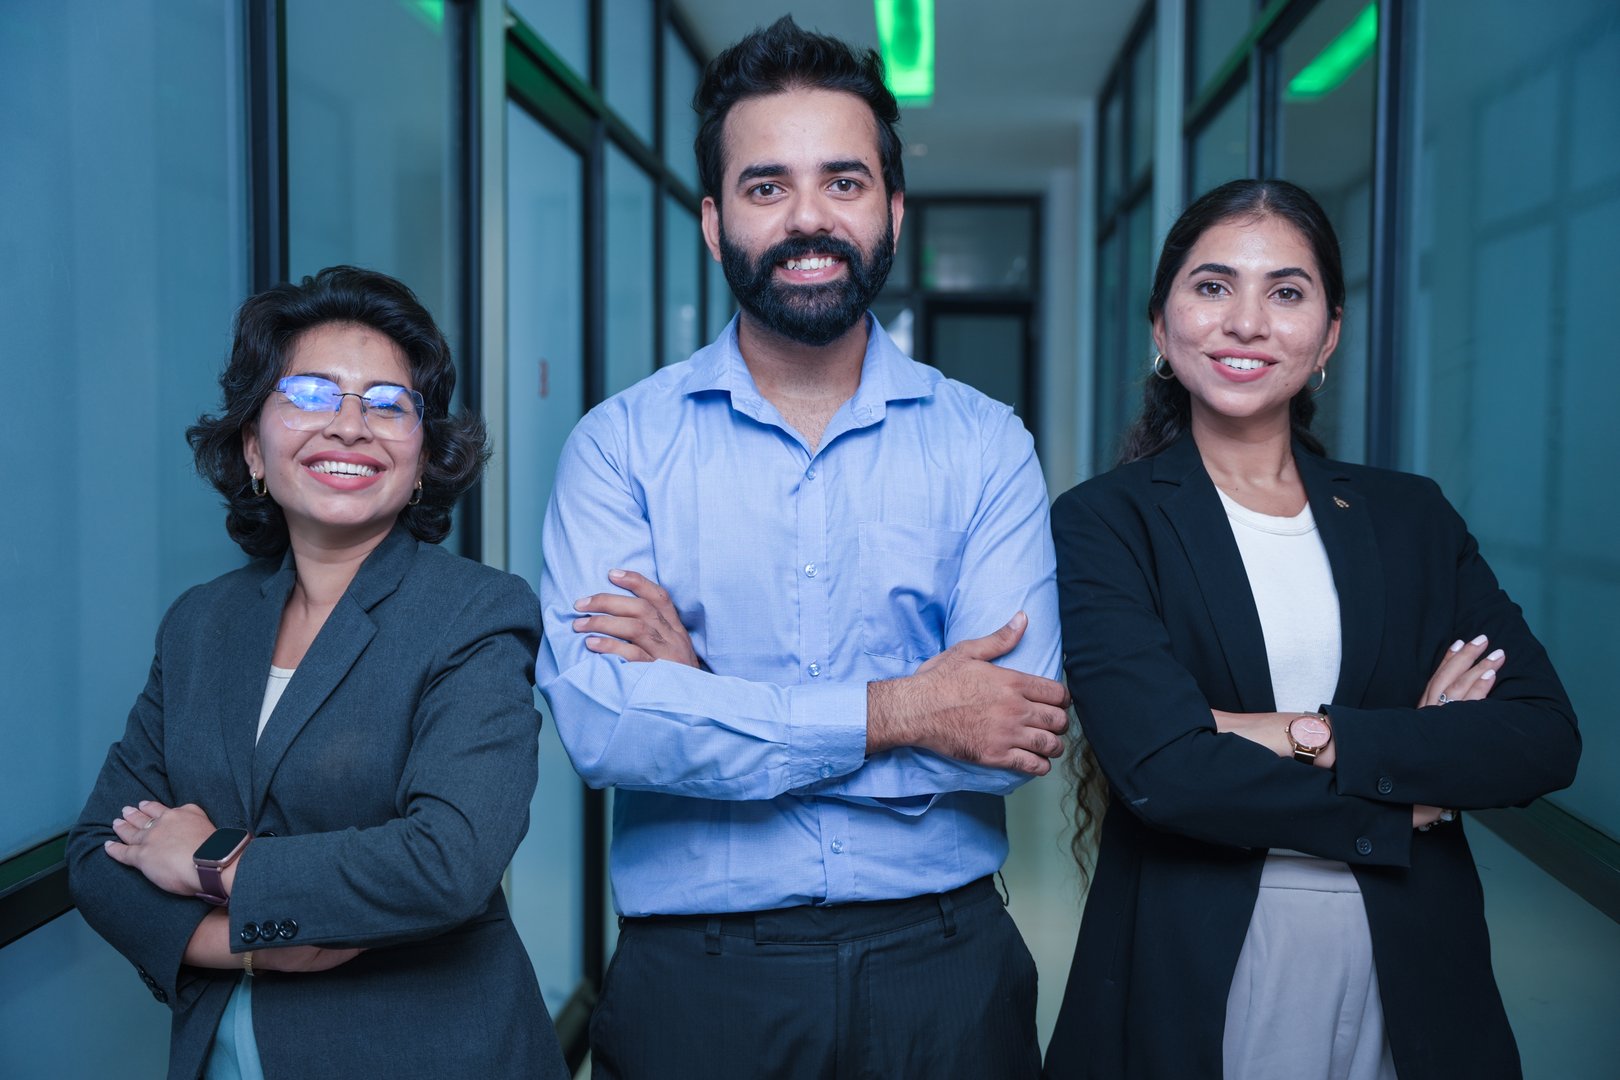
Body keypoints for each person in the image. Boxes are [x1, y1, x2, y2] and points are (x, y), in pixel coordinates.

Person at [538, 16, 1068, 1079]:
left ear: (894, 210)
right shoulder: (619, 446)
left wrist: (702, 694)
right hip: (699, 980)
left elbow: (1012, 725)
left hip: (946, 974)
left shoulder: (985, 443)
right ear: (712, 218)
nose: (809, 218)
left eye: (844, 181)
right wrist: (908, 709)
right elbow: (604, 727)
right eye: (767, 185)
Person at [1041, 179, 1580, 1080]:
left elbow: (1539, 735)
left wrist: (1297, 734)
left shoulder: (1410, 517)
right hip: (1199, 949)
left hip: (1411, 952)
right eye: (1212, 287)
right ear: (1161, 327)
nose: (1246, 321)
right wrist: (1410, 762)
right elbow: (1161, 769)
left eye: (1286, 292)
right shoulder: (1106, 521)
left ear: (1328, 334)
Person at [66, 267, 567, 1080]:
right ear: (253, 447)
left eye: (386, 402)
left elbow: (446, 861)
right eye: (310, 393)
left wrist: (216, 860)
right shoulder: (202, 623)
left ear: (422, 456)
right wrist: (255, 949)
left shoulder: (474, 613)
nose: (349, 425)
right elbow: (98, 853)